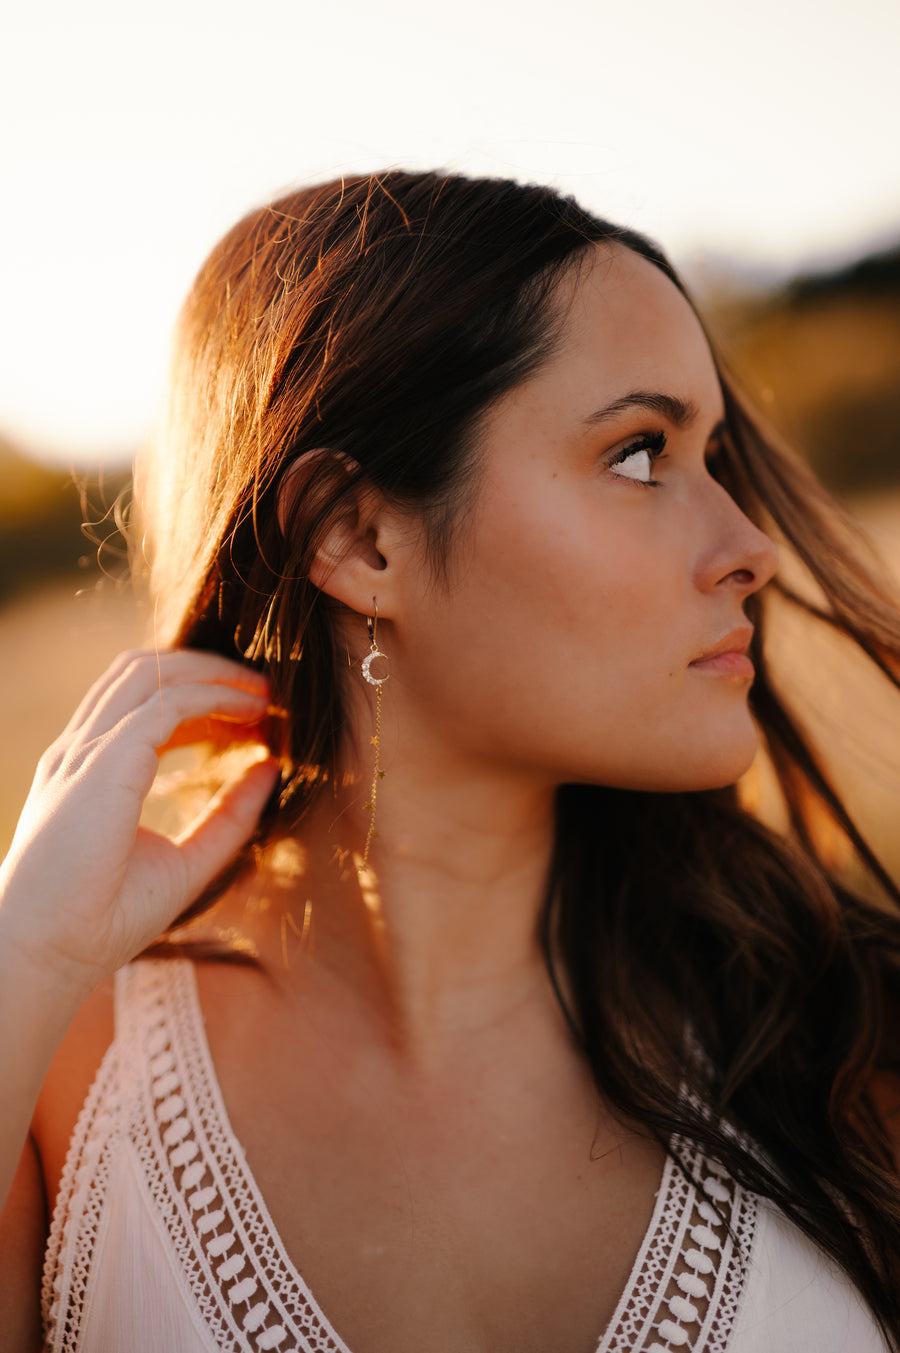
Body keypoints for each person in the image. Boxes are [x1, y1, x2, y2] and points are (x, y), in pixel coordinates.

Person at [1, 170, 900, 1353]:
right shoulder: (65, 1086)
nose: (751, 551)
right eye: (640, 454)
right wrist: (26, 953)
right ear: (357, 538)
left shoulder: (844, 1034)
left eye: (714, 457)